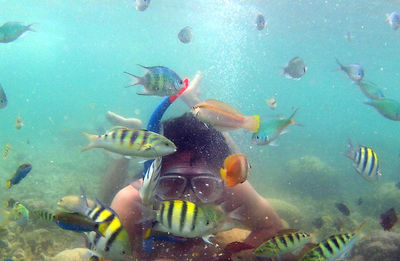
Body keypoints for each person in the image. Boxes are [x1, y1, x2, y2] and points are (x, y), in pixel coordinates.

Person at [109, 73, 283, 260]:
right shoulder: (132, 200)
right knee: (107, 202)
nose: (189, 198)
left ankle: (191, 98)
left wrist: (230, 256)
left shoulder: (229, 188)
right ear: (156, 179)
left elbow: (272, 227)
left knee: (237, 163)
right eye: (172, 183)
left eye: (203, 184)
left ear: (221, 180)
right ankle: (122, 154)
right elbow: (108, 252)